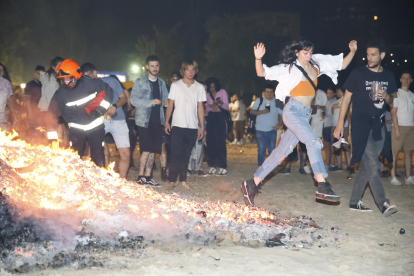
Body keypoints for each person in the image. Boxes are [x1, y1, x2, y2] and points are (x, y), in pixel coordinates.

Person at [241, 37, 357, 207]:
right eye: (305, 52)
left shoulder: (316, 64)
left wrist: (353, 51)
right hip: (292, 111)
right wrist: (258, 58)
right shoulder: (288, 68)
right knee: (314, 141)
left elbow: (342, 64)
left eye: (310, 52)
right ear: (296, 52)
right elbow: (262, 72)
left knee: (281, 153)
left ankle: (252, 183)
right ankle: (322, 184)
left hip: (305, 115)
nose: (309, 55)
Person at [334, 39, 398, 216]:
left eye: (373, 54)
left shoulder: (389, 76)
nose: (369, 58)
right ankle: (383, 203)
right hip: (361, 124)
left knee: (366, 167)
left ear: (382, 56)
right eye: (367, 54)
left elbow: (393, 100)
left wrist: (386, 96)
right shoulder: (358, 73)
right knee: (372, 164)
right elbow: (346, 99)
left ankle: (355, 202)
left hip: (379, 125)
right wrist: (340, 123)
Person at [46, 59, 113, 167]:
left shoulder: (93, 84)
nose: (66, 82)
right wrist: (52, 138)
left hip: (95, 126)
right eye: (63, 79)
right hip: (76, 128)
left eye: (68, 78)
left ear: (77, 75)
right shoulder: (60, 94)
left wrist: (99, 110)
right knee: (75, 158)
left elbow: (108, 93)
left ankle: (100, 180)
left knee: (98, 158)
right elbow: (51, 114)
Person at [164, 60, 206, 190]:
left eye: (193, 70)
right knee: (175, 154)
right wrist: (167, 121)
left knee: (186, 154)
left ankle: (183, 181)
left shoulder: (199, 87)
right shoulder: (175, 85)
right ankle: (172, 181)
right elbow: (170, 105)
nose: (191, 72)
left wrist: (202, 126)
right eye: (188, 69)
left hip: (192, 127)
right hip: (177, 125)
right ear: (184, 70)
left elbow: (200, 107)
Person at [130, 55, 168, 187]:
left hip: (158, 121)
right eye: (152, 66)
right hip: (144, 120)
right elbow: (133, 100)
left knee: (153, 150)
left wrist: (166, 103)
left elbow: (165, 100)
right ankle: (141, 176)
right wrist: (151, 102)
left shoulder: (162, 83)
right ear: (147, 67)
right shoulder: (140, 82)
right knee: (146, 149)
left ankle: (148, 176)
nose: (155, 68)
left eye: (157, 66)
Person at [390, 71, 414, 185]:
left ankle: (408, 177)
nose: (406, 80)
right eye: (404, 78)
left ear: (411, 80)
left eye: (408, 78)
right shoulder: (396, 94)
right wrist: (397, 129)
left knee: (408, 152)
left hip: (411, 127)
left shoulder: (412, 95)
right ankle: (393, 177)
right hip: (399, 126)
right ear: (400, 80)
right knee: (394, 152)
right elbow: (393, 112)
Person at [249, 84, 283, 166]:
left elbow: (282, 115)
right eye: (267, 92)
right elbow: (251, 111)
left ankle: (270, 167)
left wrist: (279, 125)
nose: (269, 94)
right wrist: (261, 112)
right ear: (264, 92)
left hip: (272, 129)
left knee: (271, 149)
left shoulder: (277, 102)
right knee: (261, 149)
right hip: (260, 129)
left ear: (274, 93)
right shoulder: (259, 100)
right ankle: (261, 166)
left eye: (271, 92)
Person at [205, 77, 229, 176]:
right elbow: (204, 106)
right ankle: (212, 165)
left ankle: (222, 166)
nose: (212, 89)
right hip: (211, 118)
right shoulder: (206, 94)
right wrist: (210, 106)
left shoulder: (222, 92)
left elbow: (227, 106)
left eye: (213, 87)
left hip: (220, 118)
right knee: (210, 142)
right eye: (210, 87)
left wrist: (219, 103)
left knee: (220, 141)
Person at [331, 87, 351, 172]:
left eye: (337, 91)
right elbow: (332, 111)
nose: (336, 93)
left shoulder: (346, 100)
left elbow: (348, 113)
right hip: (335, 126)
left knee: (345, 146)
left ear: (341, 91)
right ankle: (339, 166)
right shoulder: (337, 101)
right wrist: (333, 106)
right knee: (337, 146)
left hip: (343, 127)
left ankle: (349, 165)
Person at [322, 87, 337, 170]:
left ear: (334, 93)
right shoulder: (326, 102)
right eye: (327, 93)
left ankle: (332, 163)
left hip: (332, 125)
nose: (329, 95)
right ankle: (327, 163)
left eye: (331, 93)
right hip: (326, 125)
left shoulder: (335, 102)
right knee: (326, 145)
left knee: (331, 145)